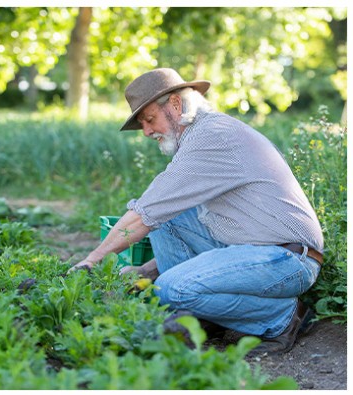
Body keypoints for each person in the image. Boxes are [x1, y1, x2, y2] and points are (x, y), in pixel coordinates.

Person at [70, 68, 324, 354]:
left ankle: (281, 318)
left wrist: (90, 262)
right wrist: (145, 270)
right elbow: (159, 212)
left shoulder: (212, 137)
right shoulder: (200, 135)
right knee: (169, 218)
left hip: (287, 260)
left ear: (176, 105)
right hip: (255, 251)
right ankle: (205, 315)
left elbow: (144, 213)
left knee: (170, 289)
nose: (147, 132)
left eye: (149, 119)